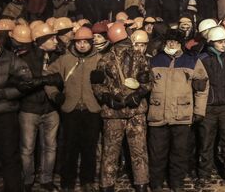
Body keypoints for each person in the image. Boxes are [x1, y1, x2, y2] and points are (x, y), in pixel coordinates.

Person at [92, 22, 153, 192]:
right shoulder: (139, 57)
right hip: (135, 113)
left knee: (110, 152)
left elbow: (97, 85)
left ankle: (107, 186)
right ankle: (142, 185)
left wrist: (107, 98)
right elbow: (148, 81)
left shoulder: (103, 59)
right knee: (139, 152)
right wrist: (138, 94)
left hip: (113, 113)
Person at [148, 29, 209, 192]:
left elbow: (202, 87)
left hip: (181, 115)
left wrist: (199, 111)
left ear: (180, 43)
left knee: (179, 153)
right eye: (169, 41)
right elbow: (145, 85)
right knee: (156, 153)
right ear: (165, 42)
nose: (171, 44)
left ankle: (176, 182)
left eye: (175, 41)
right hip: (157, 114)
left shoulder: (192, 60)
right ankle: (156, 183)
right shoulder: (154, 61)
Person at [44, 27, 102, 192]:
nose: (82, 45)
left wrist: (103, 89)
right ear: (74, 43)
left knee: (89, 148)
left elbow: (110, 83)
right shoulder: (65, 60)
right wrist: (54, 94)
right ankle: (67, 181)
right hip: (71, 110)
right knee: (69, 147)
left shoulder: (100, 59)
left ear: (91, 43)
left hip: (92, 110)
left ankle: (87, 181)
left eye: (86, 42)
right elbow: (47, 77)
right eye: (79, 42)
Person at [0, 24, 32, 192]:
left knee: (10, 157)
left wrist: (5, 93)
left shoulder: (10, 58)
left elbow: (26, 82)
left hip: (5, 114)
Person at [18, 24, 63, 192]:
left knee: (50, 146)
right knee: (27, 148)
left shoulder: (58, 57)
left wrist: (47, 80)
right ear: (41, 41)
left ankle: (46, 179)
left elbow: (61, 79)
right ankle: (28, 180)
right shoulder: (25, 58)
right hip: (30, 109)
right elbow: (24, 84)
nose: (55, 40)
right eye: (51, 38)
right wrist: (46, 79)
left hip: (50, 109)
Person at [195, 26, 225, 187]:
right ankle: (204, 174)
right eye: (220, 41)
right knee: (206, 142)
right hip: (209, 106)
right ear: (212, 42)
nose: (223, 44)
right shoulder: (202, 59)